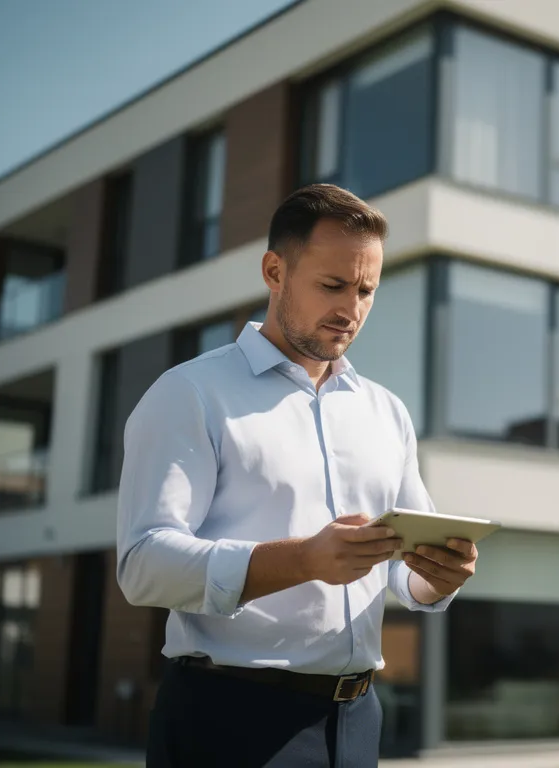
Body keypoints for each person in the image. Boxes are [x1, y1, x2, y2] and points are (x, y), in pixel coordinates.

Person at [117, 183, 478, 768]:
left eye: (366, 290)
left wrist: (439, 576)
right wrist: (303, 561)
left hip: (358, 722)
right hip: (227, 722)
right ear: (274, 271)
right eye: (333, 285)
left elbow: (399, 573)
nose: (351, 309)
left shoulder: (386, 411)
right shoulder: (190, 393)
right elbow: (143, 567)